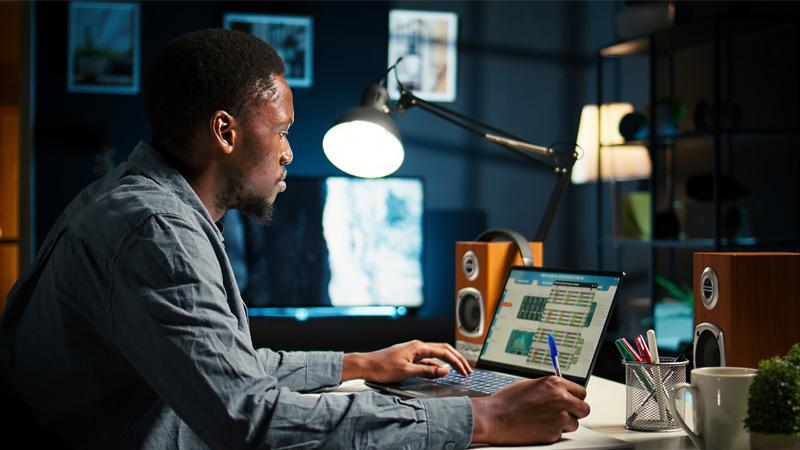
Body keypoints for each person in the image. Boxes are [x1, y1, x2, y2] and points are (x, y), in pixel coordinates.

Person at [0, 29, 589, 449]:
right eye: (281, 129)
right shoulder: (159, 233)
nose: (288, 151)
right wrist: (481, 419)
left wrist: (359, 362)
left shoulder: (130, 196)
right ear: (225, 131)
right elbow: (247, 419)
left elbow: (219, 369)